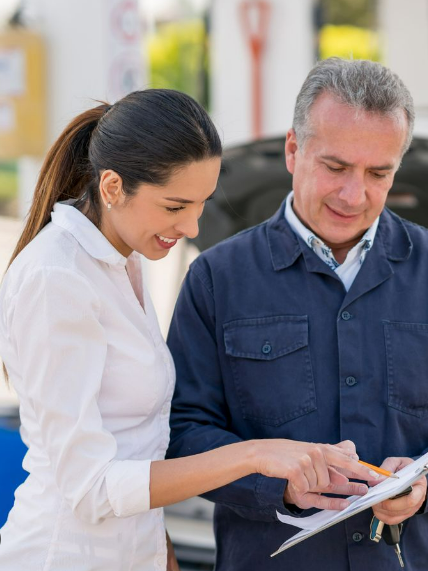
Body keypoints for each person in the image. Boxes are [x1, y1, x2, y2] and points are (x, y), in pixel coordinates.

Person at [166, 59, 428, 571]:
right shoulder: (217, 278)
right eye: (336, 167)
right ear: (294, 151)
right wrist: (281, 484)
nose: (354, 194)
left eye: (378, 173)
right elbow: (184, 430)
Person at [0, 88, 378, 571]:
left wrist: (163, 554)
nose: (194, 226)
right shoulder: (56, 278)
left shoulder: (121, 262)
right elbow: (91, 487)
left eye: (202, 203)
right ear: (113, 188)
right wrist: (254, 455)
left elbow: (138, 445)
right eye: (175, 206)